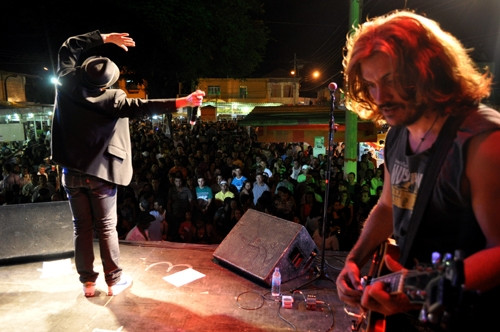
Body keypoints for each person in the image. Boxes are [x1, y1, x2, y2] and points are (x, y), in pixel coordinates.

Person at [335, 10, 500, 331]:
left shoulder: (482, 142)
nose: (380, 98)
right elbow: (387, 206)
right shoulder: (398, 131)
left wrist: (423, 290)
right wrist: (354, 259)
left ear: (430, 71)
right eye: (371, 84)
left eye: (391, 81)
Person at [50, 30, 204, 298]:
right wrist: (186, 101)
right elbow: (146, 107)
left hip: (70, 172)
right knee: (107, 226)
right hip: (101, 174)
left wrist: (105, 37)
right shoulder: (113, 99)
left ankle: (87, 284)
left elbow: (69, 46)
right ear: (107, 83)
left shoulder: (66, 82)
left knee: (81, 227)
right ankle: (113, 281)